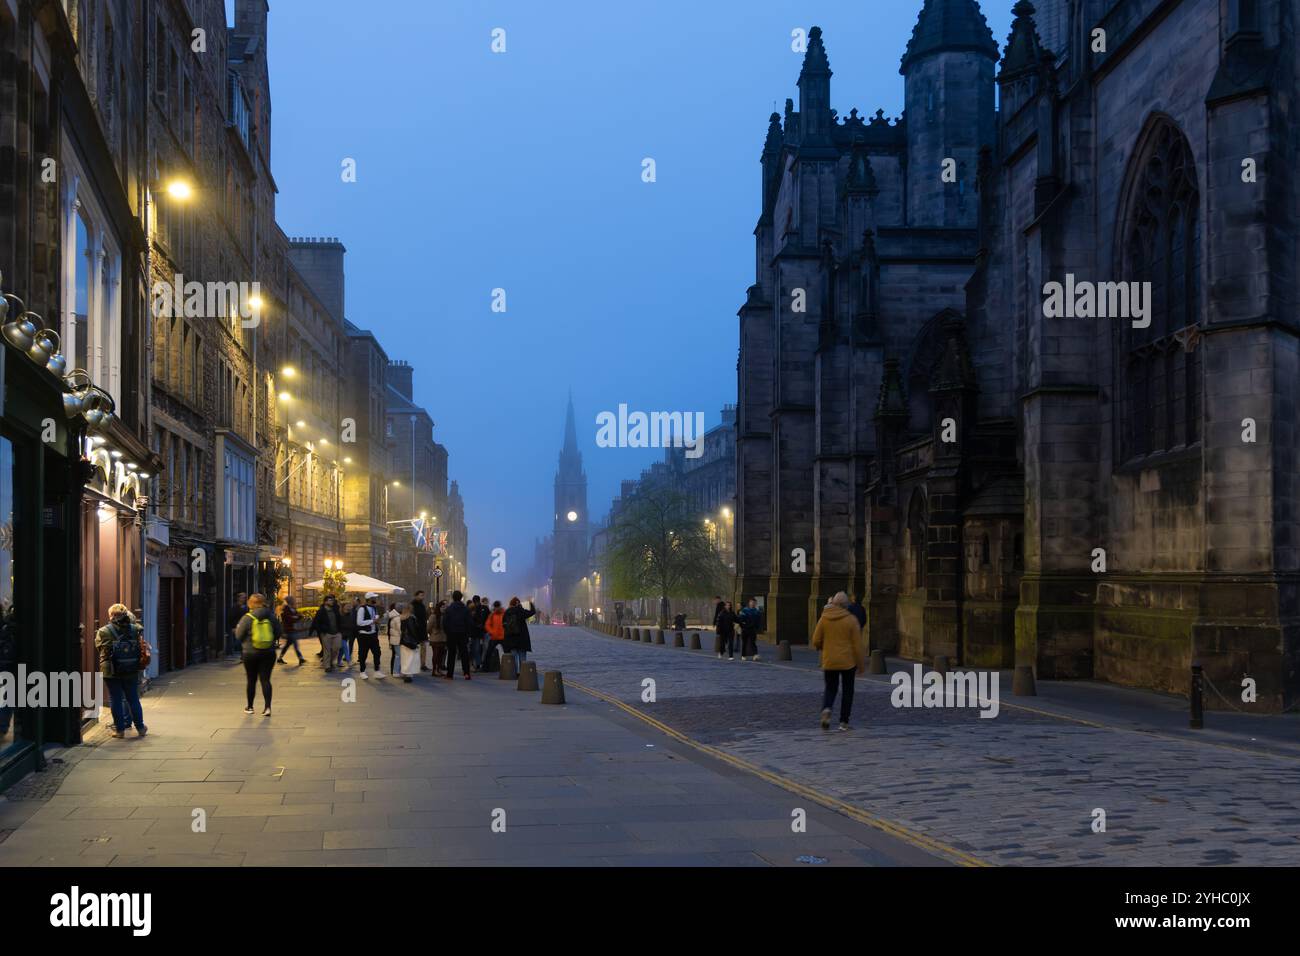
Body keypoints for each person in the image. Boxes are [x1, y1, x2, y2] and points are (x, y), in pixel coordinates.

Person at [811, 591, 866, 731]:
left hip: (829, 660)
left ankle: (827, 708)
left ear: (834, 603)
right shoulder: (851, 620)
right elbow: (857, 645)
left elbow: (816, 640)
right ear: (846, 605)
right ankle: (843, 722)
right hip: (848, 662)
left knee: (830, 688)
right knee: (848, 691)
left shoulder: (824, 618)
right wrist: (860, 665)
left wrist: (823, 648)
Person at [96, 603, 147, 738]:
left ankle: (120, 730)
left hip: (111, 670)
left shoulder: (103, 631)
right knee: (133, 698)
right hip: (131, 668)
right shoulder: (135, 629)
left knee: (116, 699)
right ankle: (140, 727)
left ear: (111, 615)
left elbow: (100, 649)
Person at [235, 593, 283, 716]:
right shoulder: (271, 616)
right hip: (268, 652)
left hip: (250, 653)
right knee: (265, 680)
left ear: (250, 603)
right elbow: (278, 633)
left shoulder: (247, 617)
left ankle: (250, 707)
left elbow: (239, 636)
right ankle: (267, 708)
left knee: (251, 680)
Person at [442, 590, 472, 680]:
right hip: (463, 633)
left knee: (451, 653)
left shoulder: (449, 609)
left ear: (453, 598)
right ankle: (466, 673)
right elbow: (469, 622)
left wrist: (448, 632)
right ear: (461, 598)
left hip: (451, 634)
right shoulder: (466, 609)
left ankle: (450, 674)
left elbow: (445, 623)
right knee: (464, 653)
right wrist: (467, 633)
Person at [501, 597, 536, 672]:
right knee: (522, 657)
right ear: (517, 603)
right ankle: (522, 674)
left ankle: (515, 673)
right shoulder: (520, 611)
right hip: (522, 638)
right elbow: (532, 612)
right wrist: (531, 603)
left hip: (511, 639)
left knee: (514, 657)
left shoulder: (507, 612)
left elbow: (503, 625)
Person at [311, 595, 344, 673]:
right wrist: (322, 630)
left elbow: (340, 619)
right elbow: (316, 622)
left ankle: (331, 661)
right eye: (329, 600)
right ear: (325, 602)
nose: (331, 601)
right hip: (326, 633)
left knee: (337, 648)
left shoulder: (335, 609)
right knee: (327, 650)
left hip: (337, 632)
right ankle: (327, 666)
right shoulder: (321, 611)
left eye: (332, 600)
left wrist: (341, 629)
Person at [355, 593, 384, 679]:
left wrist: (377, 619)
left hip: (373, 634)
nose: (375, 599)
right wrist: (372, 621)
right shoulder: (362, 609)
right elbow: (359, 622)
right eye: (374, 598)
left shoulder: (374, 608)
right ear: (369, 599)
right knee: (363, 654)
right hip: (364, 635)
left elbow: (375, 617)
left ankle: (377, 671)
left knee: (377, 652)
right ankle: (362, 671)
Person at [398, 605, 424, 683]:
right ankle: (408, 675)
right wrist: (417, 639)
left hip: (403, 641)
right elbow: (413, 630)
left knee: (404, 658)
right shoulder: (411, 618)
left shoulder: (401, 618)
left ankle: (404, 673)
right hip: (411, 641)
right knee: (411, 658)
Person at [278, 595, 306, 665]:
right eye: (292, 600)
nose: (294, 601)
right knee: (295, 645)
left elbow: (298, 616)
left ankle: (280, 658)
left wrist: (296, 617)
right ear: (289, 601)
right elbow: (289, 619)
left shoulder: (293, 608)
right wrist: (296, 617)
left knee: (287, 645)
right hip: (289, 630)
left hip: (293, 629)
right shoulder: (286, 609)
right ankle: (300, 658)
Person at [482, 600, 505, 671]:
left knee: (507, 653)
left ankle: (508, 667)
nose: (496, 609)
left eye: (497, 607)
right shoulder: (492, 615)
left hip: (503, 637)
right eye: (495, 607)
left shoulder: (504, 614)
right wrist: (492, 632)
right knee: (488, 653)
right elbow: (487, 625)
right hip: (494, 637)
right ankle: (485, 668)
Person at [411, 590, 430, 671]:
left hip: (422, 629)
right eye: (421, 595)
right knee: (414, 648)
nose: (422, 597)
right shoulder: (412, 605)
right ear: (416, 596)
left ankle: (423, 664)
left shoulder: (422, 605)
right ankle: (414, 664)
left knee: (423, 647)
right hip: (415, 629)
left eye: (423, 595)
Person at [469, 595, 489, 670]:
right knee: (481, 648)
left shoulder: (473, 609)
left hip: (477, 632)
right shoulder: (483, 608)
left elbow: (470, 621)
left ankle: (479, 663)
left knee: (477, 649)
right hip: (480, 631)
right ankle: (479, 663)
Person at [225, 592, 248, 658]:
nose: (244, 599)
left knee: (242, 641)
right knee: (237, 642)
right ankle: (229, 652)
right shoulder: (235, 607)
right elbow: (231, 617)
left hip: (243, 626)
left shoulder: (245, 607)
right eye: (243, 597)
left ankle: (242, 655)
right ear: (238, 598)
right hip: (236, 627)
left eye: (245, 597)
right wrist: (233, 627)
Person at [427, 600, 447, 676]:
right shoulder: (433, 616)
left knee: (441, 655)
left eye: (445, 607)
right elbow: (428, 628)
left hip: (443, 638)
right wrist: (431, 634)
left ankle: (438, 669)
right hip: (435, 638)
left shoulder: (445, 616)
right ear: (439, 607)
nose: (444, 608)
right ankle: (434, 670)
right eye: (442, 607)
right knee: (436, 654)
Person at [385, 602, 403, 676]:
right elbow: (400, 629)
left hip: (394, 639)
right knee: (398, 656)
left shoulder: (392, 617)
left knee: (396, 655)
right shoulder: (397, 618)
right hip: (397, 639)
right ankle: (396, 671)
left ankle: (395, 671)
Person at [339, 599, 357, 669]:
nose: (349, 607)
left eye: (349, 606)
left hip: (347, 634)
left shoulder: (350, 614)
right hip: (341, 634)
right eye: (347, 606)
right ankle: (349, 661)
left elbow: (352, 623)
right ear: (343, 607)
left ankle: (338, 661)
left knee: (342, 650)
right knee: (345, 648)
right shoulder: (340, 615)